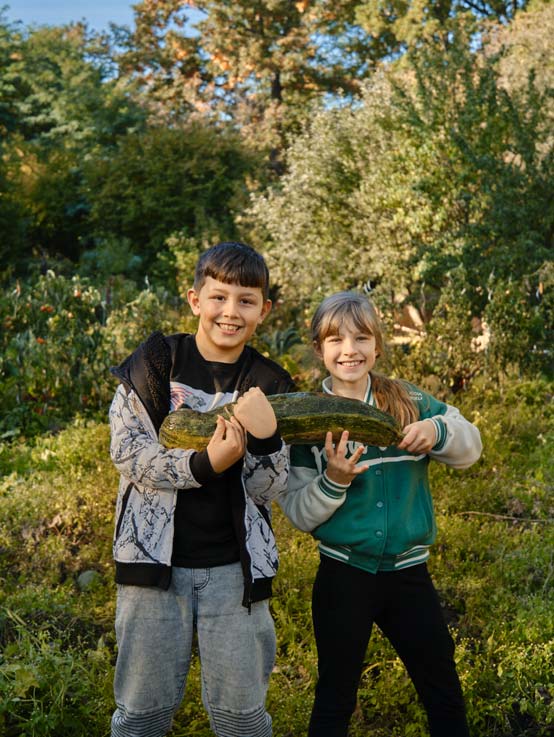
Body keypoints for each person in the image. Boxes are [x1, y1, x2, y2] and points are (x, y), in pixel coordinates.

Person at [108, 241, 295, 737]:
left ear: (264, 310)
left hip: (235, 575)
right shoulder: (155, 362)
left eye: (246, 300)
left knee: (242, 719)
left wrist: (269, 437)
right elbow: (130, 455)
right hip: (152, 569)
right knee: (141, 716)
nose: (230, 312)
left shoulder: (270, 382)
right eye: (218, 297)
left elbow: (267, 487)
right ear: (195, 299)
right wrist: (207, 463)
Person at [279, 291, 482, 737]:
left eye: (361, 338)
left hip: (409, 575)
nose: (349, 349)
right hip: (342, 574)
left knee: (443, 689)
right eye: (335, 340)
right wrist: (333, 481)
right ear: (319, 348)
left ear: (377, 345)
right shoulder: (307, 421)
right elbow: (297, 512)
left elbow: (471, 447)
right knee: (335, 695)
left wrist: (437, 429)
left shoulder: (408, 401)